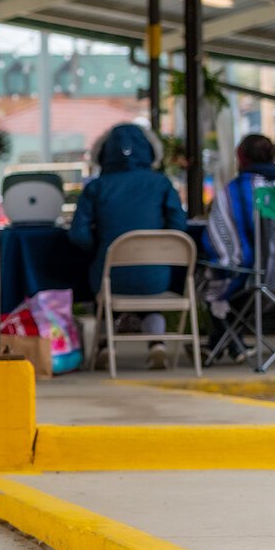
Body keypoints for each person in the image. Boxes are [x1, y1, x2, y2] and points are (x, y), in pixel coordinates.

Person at [69, 123, 188, 369]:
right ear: (150, 151)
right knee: (148, 288)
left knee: (103, 291)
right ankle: (157, 344)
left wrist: (100, 248)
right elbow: (179, 226)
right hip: (155, 278)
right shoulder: (162, 184)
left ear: (103, 153)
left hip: (110, 275)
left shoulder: (96, 187)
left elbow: (78, 234)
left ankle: (104, 345)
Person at [202, 133, 275, 343]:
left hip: (253, 282)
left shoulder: (233, 192)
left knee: (212, 273)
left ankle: (226, 339)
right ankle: (230, 341)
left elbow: (218, 241)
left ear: (241, 157)